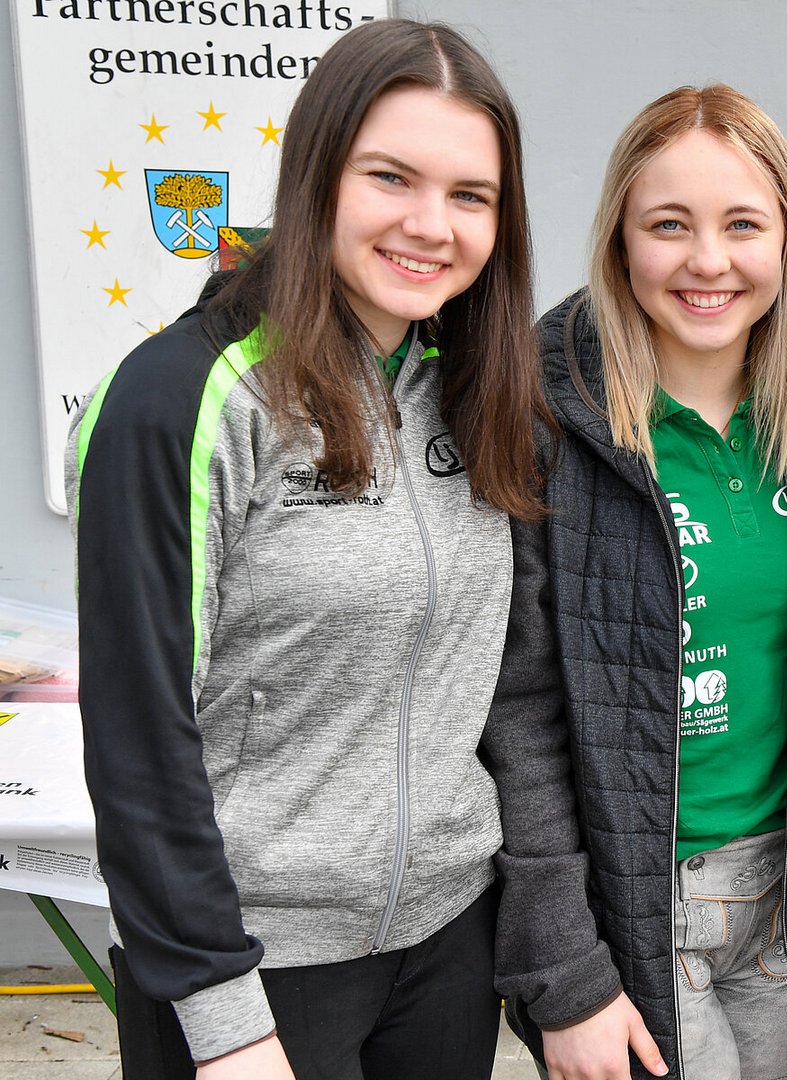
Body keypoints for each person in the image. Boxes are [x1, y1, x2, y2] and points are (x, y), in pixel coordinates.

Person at [66, 19, 545, 1079]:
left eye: (471, 195)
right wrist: (220, 1013)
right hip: (253, 966)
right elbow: (139, 736)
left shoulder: (474, 389)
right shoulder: (183, 399)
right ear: (316, 173)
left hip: (447, 946)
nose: (431, 225)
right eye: (391, 177)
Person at [485, 85, 787, 1080]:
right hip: (637, 906)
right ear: (620, 240)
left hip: (782, 906)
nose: (708, 260)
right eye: (669, 225)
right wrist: (564, 971)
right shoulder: (547, 425)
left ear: (785, 243)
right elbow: (516, 721)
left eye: (742, 224)